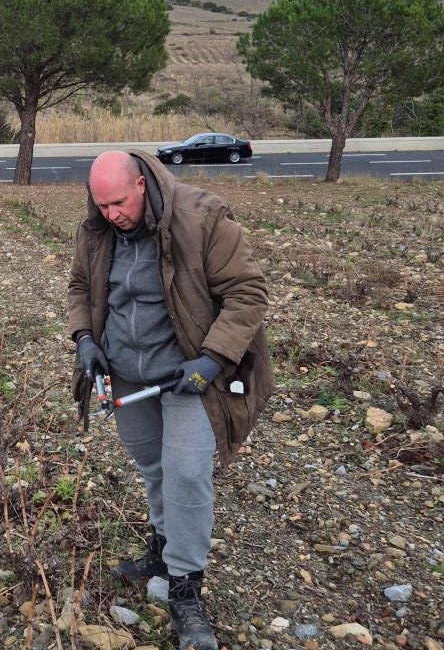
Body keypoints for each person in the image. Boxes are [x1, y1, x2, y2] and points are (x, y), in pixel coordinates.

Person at [68, 149, 273, 650]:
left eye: (118, 203)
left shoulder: (201, 216)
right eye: (101, 205)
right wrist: (84, 340)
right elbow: (79, 287)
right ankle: (162, 546)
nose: (111, 214)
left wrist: (211, 360)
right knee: (152, 464)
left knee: (186, 471)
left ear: (142, 184)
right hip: (129, 374)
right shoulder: (97, 228)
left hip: (190, 374)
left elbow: (248, 292)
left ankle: (185, 584)